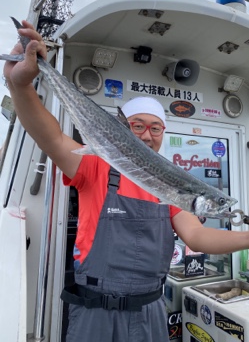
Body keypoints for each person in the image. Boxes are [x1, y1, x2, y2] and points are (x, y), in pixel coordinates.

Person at [4, 21, 249, 342]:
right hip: (96, 314)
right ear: (124, 129)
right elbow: (48, 135)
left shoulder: (173, 184)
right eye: (137, 125)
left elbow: (198, 236)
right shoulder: (95, 167)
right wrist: (20, 86)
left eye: (156, 127)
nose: (147, 134)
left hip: (149, 313)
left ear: (163, 133)